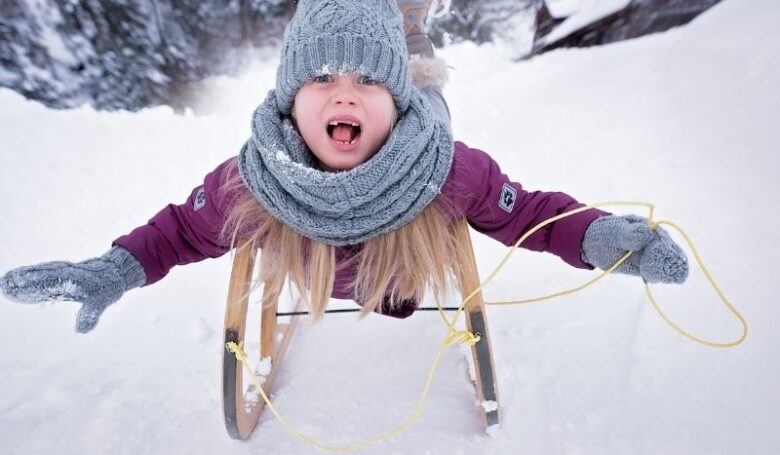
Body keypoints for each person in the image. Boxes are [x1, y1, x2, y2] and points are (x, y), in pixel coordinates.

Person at [0, 0, 688, 334]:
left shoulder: (444, 171)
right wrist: (114, 267)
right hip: (350, 165)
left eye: (368, 82)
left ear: (396, 101)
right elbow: (181, 230)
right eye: (320, 79)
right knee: (380, 41)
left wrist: (604, 240)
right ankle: (394, 28)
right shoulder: (254, 179)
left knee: (407, 52)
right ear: (289, 100)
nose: (344, 91)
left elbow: (534, 214)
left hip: (412, 146)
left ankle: (407, 34)